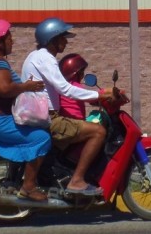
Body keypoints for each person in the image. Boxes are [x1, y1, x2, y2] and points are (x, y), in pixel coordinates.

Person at [21, 17, 116, 196]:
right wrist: (99, 94)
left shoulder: (35, 57)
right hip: (48, 118)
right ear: (52, 39)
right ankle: (77, 180)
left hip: (39, 115)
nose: (65, 41)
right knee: (98, 131)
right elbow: (65, 89)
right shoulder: (45, 58)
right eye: (62, 37)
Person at [0, 19, 52, 201]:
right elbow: (4, 89)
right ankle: (29, 187)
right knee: (41, 138)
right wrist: (27, 87)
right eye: (9, 38)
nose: (12, 41)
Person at [59, 53, 88, 120]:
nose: (82, 74)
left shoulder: (60, 85)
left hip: (64, 120)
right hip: (76, 123)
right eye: (81, 71)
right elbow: (90, 97)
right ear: (76, 73)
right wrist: (102, 95)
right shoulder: (75, 86)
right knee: (99, 129)